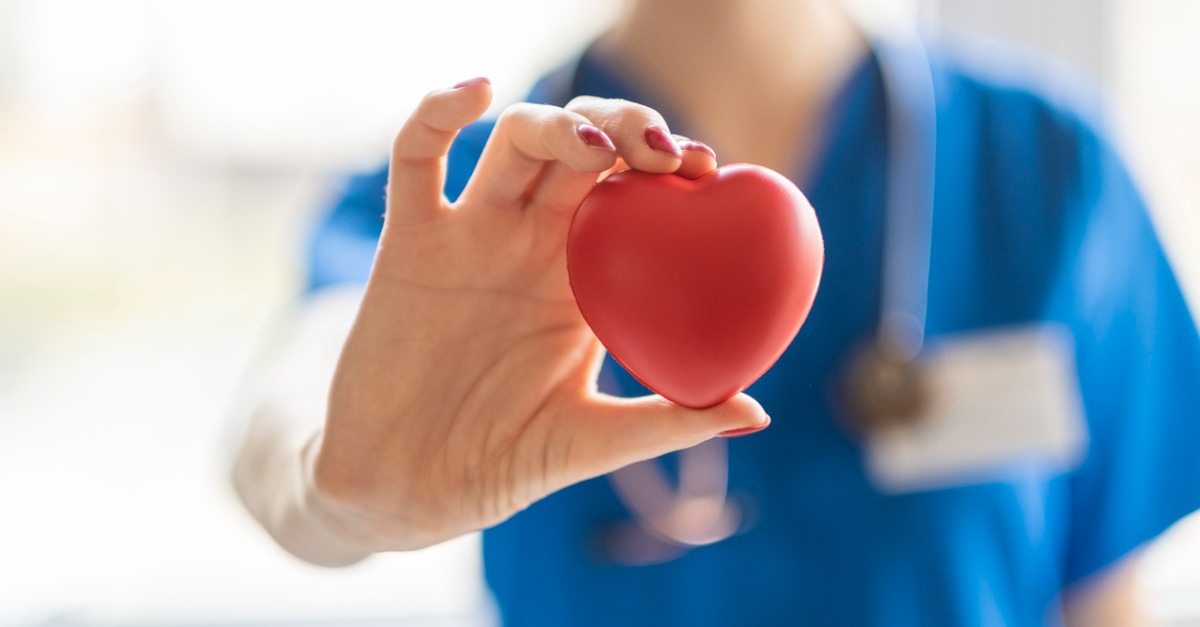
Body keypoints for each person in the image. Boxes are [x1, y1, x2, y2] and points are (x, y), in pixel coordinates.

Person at [231, 0, 1200, 625]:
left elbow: (1102, 596)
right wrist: (342, 494)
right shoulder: (451, 202)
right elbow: (288, 417)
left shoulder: (1049, 170)